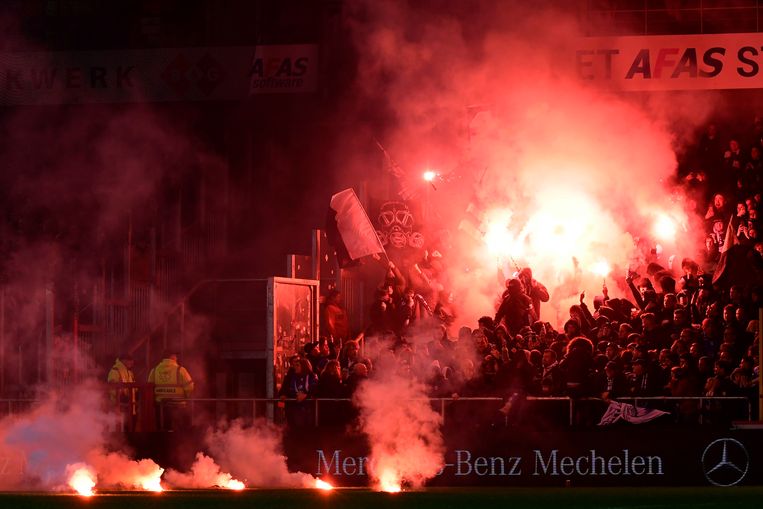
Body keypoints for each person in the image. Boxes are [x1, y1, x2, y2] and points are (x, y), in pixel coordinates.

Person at [147, 350, 194, 431]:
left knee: (163, 431)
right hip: (178, 406)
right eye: (175, 356)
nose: (177, 358)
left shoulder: (154, 371)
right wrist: (186, 397)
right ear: (172, 356)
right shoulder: (180, 370)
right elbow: (190, 387)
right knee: (178, 433)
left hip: (160, 407)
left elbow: (148, 388)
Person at [107, 353, 136, 431]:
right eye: (130, 361)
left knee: (127, 426)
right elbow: (112, 387)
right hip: (119, 404)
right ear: (124, 361)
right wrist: (120, 396)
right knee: (119, 427)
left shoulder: (129, 372)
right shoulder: (115, 371)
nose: (132, 363)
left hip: (128, 404)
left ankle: (126, 441)